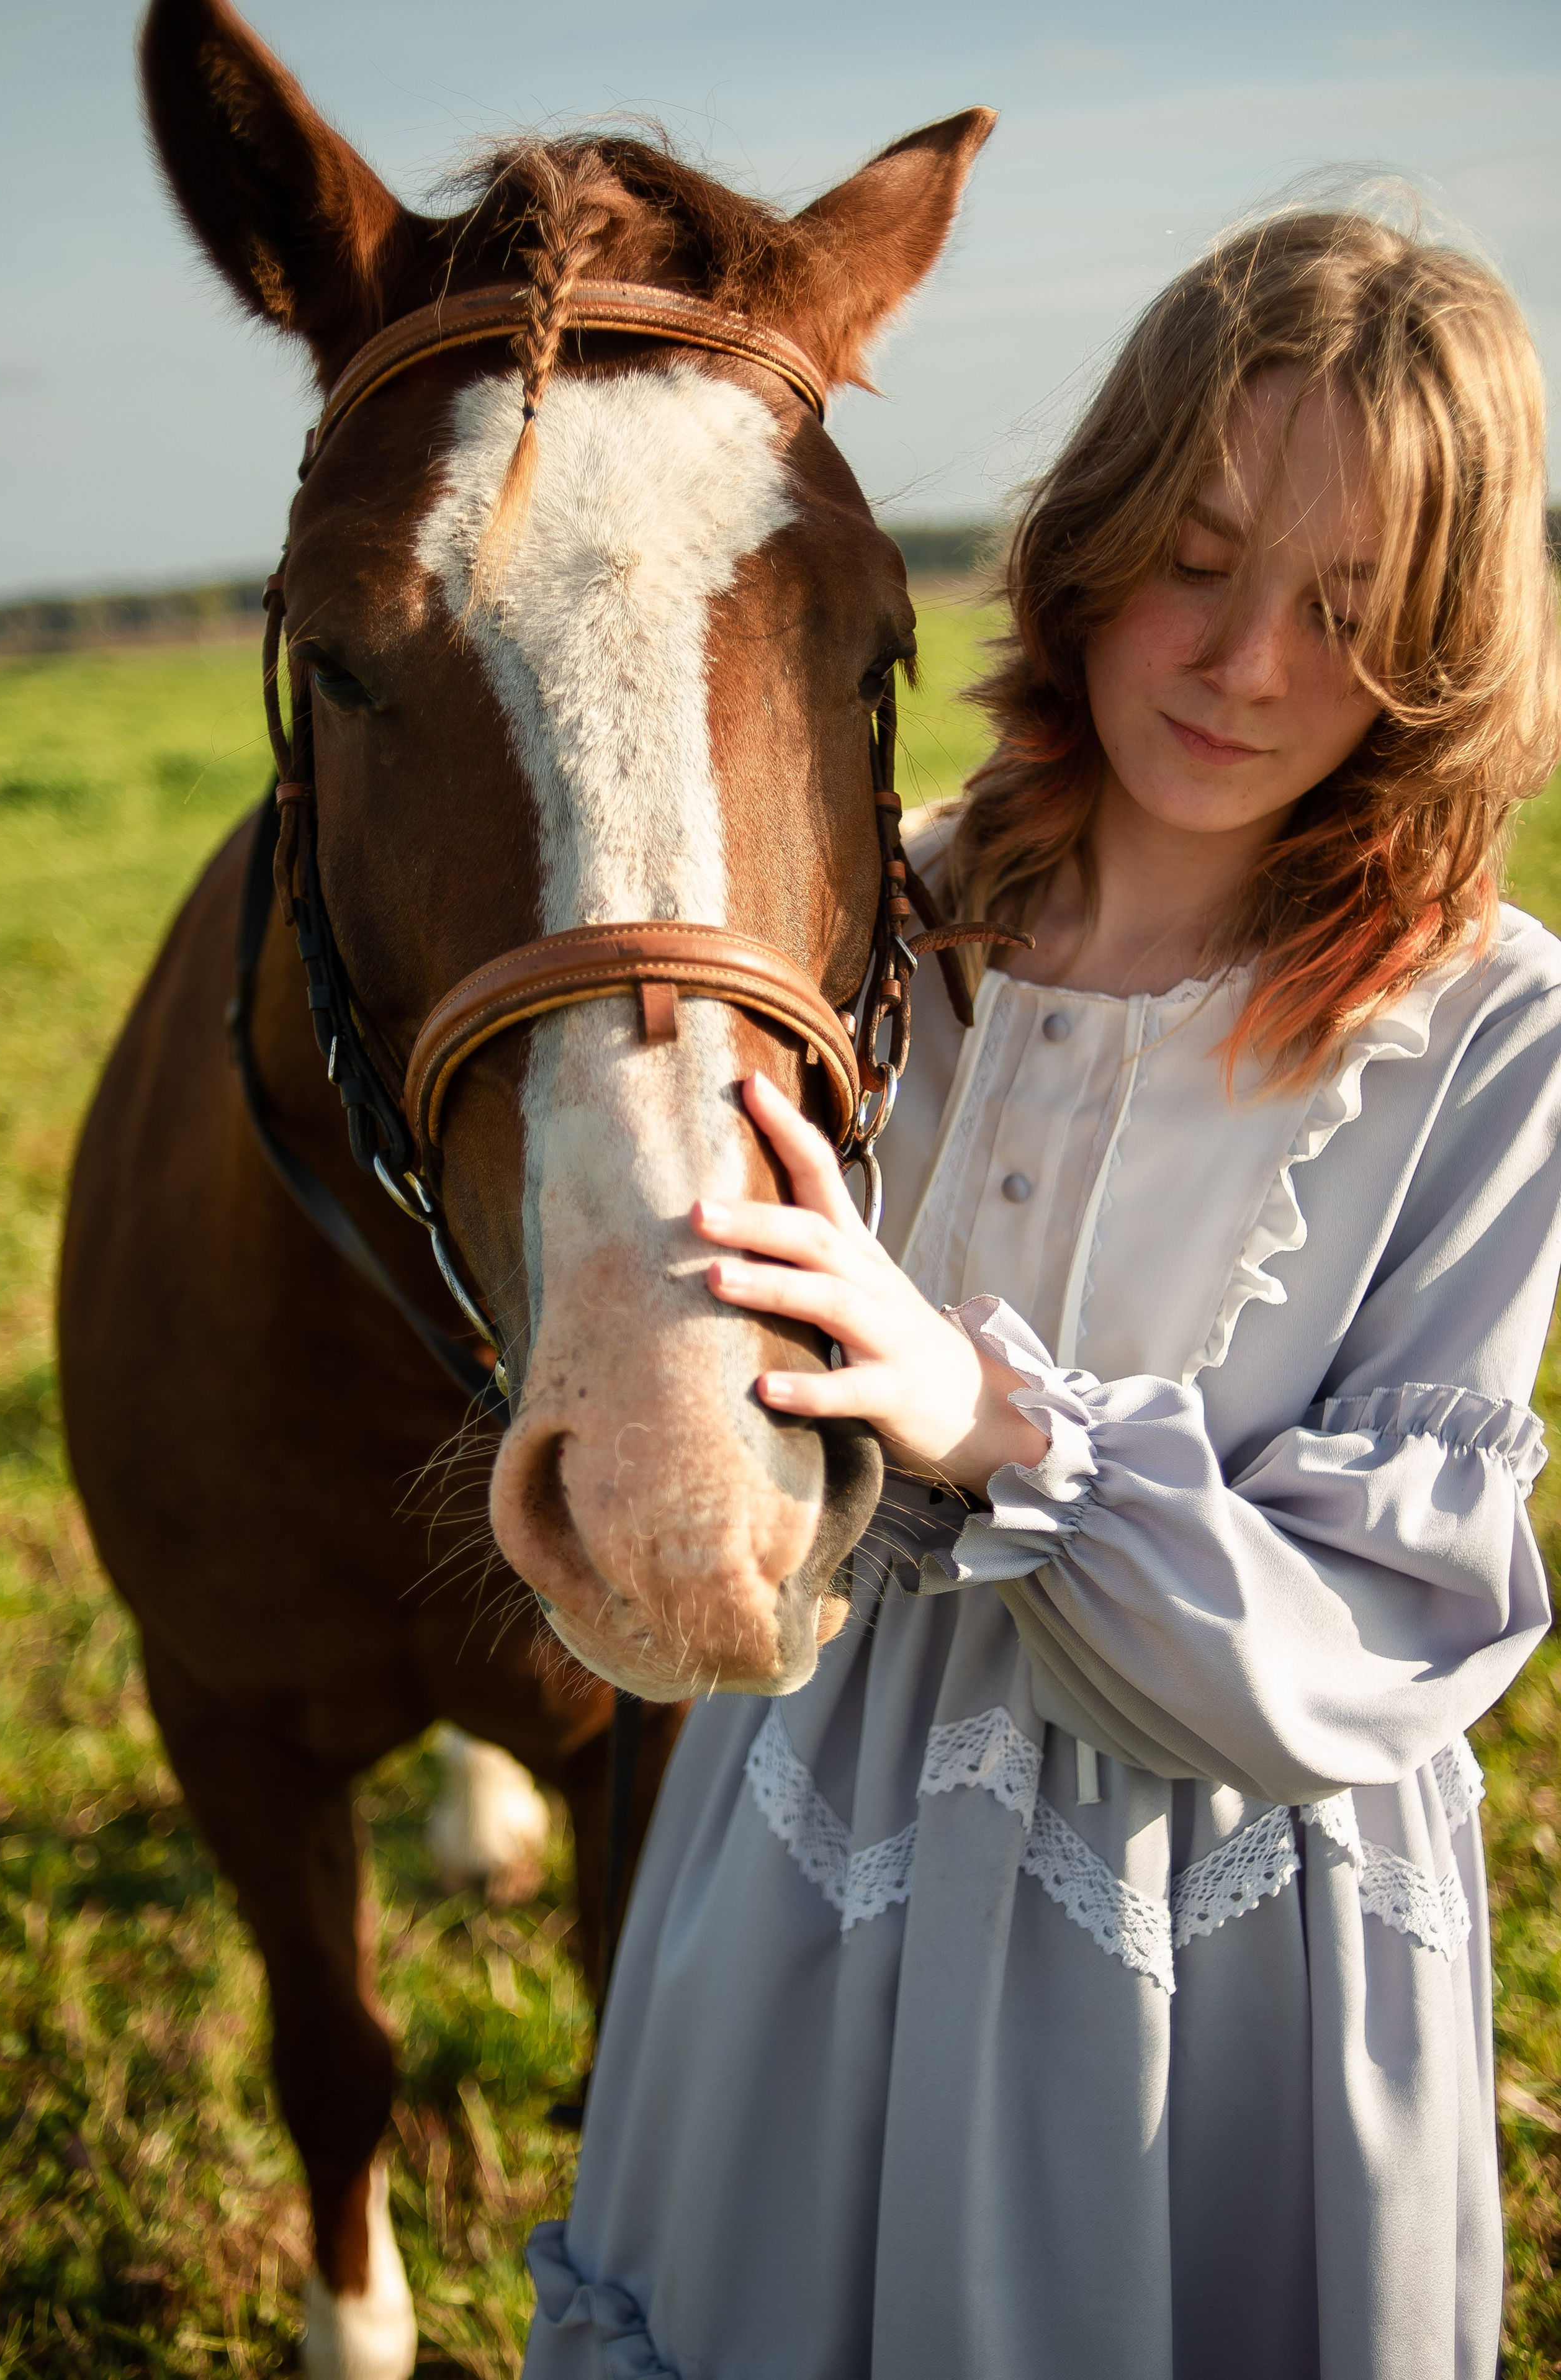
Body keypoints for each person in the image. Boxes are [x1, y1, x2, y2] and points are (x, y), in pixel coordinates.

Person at [523, 208, 1561, 2380]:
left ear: (1452, 646)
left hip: (1206, 1959)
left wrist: (994, 1421)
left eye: (1351, 609)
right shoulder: (877, 912)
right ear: (1088, 541)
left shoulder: (1493, 1035)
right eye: (1197, 554)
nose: (1245, 659)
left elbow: (1384, 1632)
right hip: (817, 1842)